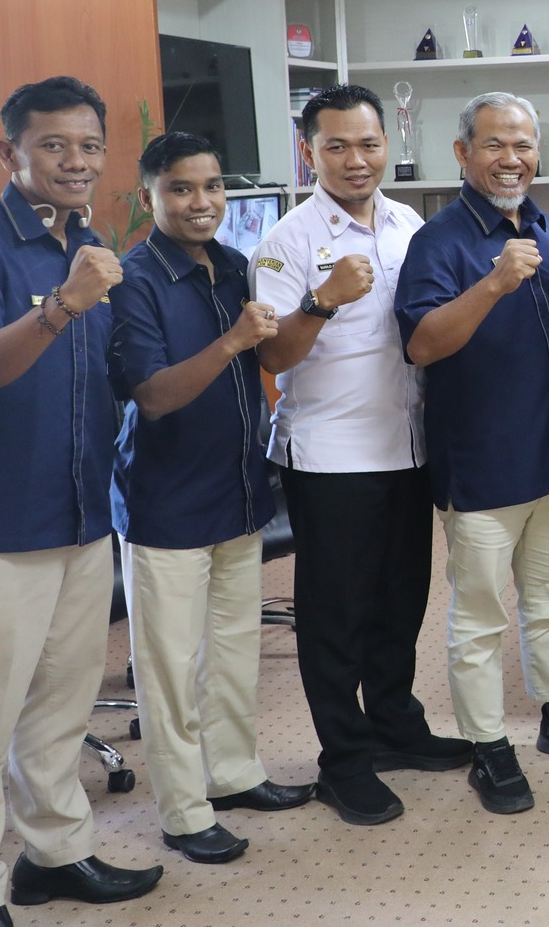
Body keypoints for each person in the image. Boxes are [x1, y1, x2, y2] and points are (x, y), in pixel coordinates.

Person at [0, 76, 162, 925]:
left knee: (59, 707)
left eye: (90, 145)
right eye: (54, 144)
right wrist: (63, 304)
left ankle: (55, 854)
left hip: (80, 518)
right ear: (9, 152)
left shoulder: (87, 245)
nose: (77, 161)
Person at [395, 91, 549, 817]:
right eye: (495, 144)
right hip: (483, 465)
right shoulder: (439, 242)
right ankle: (489, 745)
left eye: (523, 144)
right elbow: (421, 344)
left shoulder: (547, 228)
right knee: (479, 619)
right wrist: (494, 282)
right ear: (462, 153)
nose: (511, 158)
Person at [251, 85, 466, 827]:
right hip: (331, 456)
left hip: (408, 445)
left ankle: (395, 725)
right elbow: (273, 355)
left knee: (401, 602)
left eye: (368, 144)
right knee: (336, 618)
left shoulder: (411, 225)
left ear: (387, 145)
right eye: (336, 146)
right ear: (308, 151)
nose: (355, 160)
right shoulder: (287, 240)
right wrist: (323, 299)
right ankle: (342, 760)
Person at [108, 132, 313, 866]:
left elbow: (272, 354)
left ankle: (232, 774)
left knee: (231, 650)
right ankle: (183, 809)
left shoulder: (232, 265)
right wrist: (232, 341)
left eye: (213, 186)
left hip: (238, 488)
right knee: (169, 666)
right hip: (166, 500)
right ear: (150, 196)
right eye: (181, 189)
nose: (202, 202)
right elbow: (154, 395)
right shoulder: (132, 279)